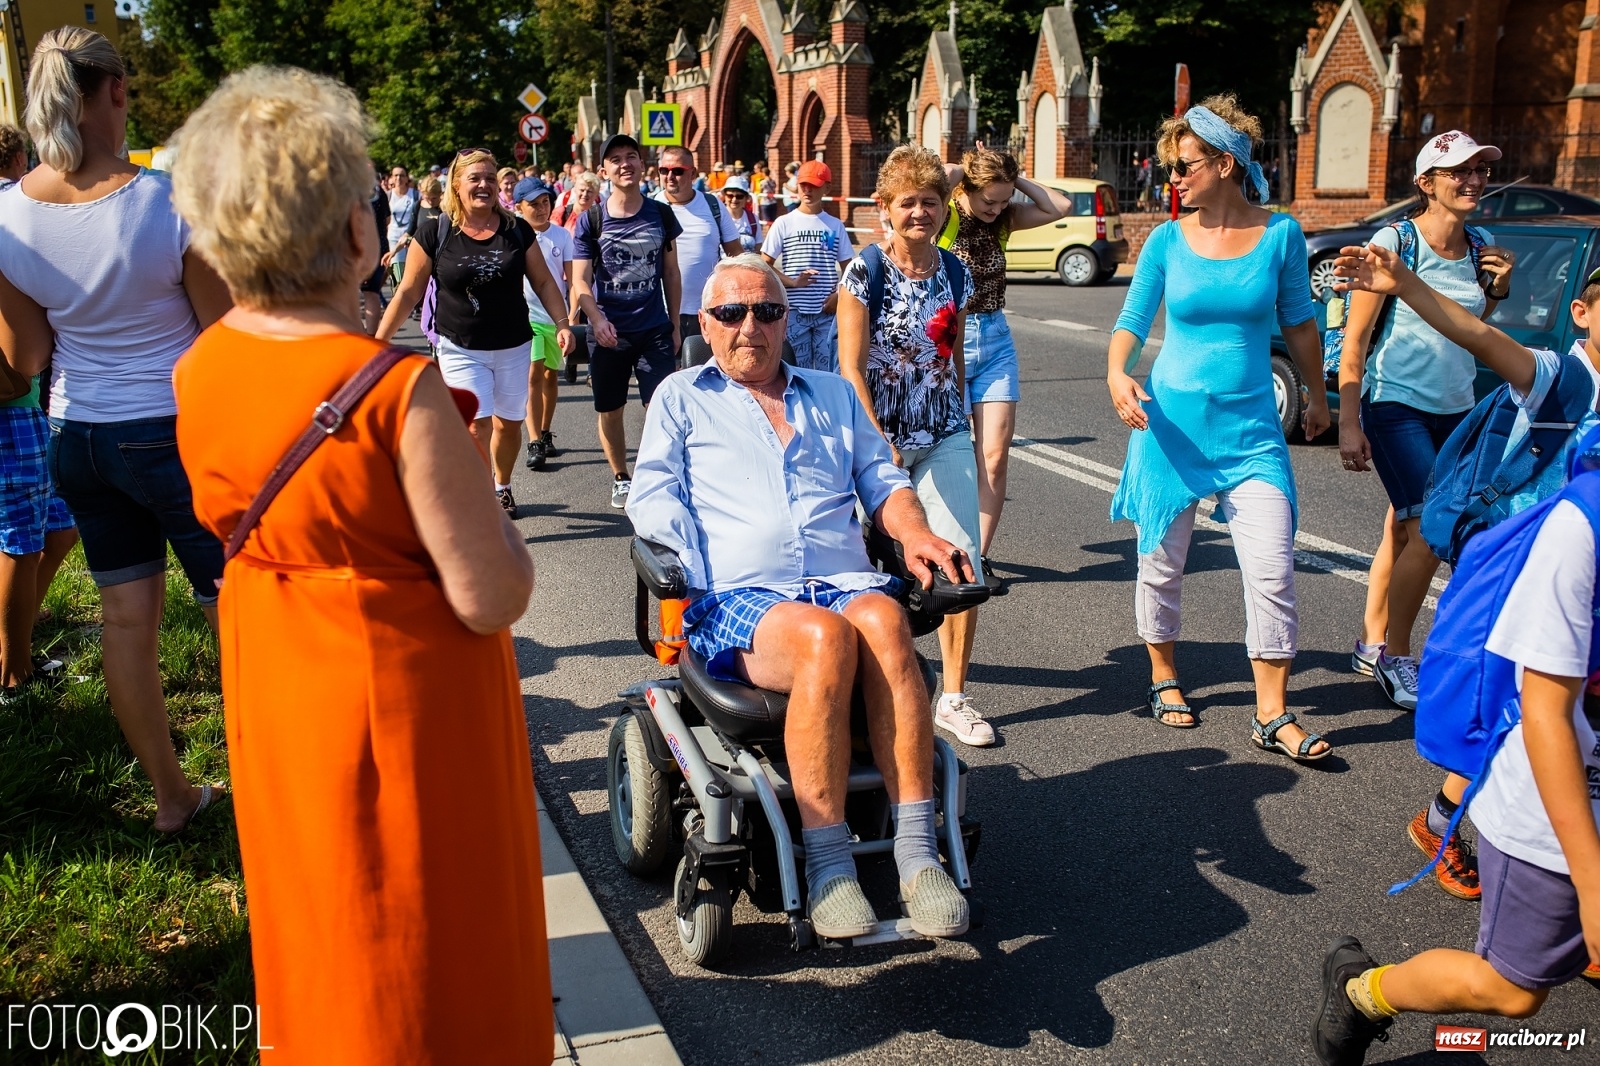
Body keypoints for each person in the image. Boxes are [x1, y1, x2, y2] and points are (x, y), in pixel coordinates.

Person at [167, 66, 550, 1062]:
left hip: (279, 682)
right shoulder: (396, 391)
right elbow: (491, 590)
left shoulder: (198, 366)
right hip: (403, 711)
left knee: (321, 924)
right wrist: (484, 487)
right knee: (425, 948)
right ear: (352, 231)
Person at [628, 253, 975, 940]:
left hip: (842, 580)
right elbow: (652, 497)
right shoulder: (681, 397)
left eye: (766, 311)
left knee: (882, 616)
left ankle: (914, 853)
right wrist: (695, 569)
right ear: (707, 321)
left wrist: (916, 538)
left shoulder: (833, 395)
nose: (748, 326)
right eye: (730, 313)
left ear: (788, 319)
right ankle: (829, 865)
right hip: (739, 596)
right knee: (825, 636)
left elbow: (883, 483)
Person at [0, 26, 233, 832]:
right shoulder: (170, 201)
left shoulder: (6, 215)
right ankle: (278, 784)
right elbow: (222, 335)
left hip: (77, 437)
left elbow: (25, 356)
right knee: (230, 611)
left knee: (125, 622)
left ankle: (171, 800)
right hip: (174, 431)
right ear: (117, 92)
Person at [1105, 95, 1332, 758]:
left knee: (1271, 569)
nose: (1172, 177)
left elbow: (1299, 324)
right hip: (1169, 428)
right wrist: (1118, 374)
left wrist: (1318, 397)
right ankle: (1165, 675)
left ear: (1226, 164)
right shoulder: (1168, 241)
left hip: (1252, 434)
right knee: (1162, 564)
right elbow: (1130, 321)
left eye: (1186, 165)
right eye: (1172, 166)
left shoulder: (1281, 235)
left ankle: (1272, 712)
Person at [1337, 130, 1515, 903]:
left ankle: (1369, 639)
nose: (1475, 179)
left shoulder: (1481, 247)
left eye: (1481, 170)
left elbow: (1473, 330)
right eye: (1461, 170)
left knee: (1399, 530)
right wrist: (1346, 414)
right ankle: (1395, 654)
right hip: (1394, 404)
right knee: (1423, 525)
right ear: (1427, 180)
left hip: (1456, 407)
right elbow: (1358, 338)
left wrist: (1499, 291)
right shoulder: (1394, 239)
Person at [836, 145, 991, 747]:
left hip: (943, 431)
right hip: (877, 441)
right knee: (858, 566)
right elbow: (848, 365)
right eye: (908, 203)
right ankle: (864, 684)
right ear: (885, 210)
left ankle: (952, 696)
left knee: (961, 559)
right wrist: (875, 440)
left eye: (930, 202)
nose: (920, 213)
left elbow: (950, 355)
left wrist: (963, 422)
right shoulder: (865, 271)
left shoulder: (956, 271)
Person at [376, 148, 574, 515]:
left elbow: (545, 282)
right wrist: (377, 343)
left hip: (513, 345)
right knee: (474, 426)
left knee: (510, 425)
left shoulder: (517, 230)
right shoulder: (435, 232)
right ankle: (484, 498)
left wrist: (562, 323)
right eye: (474, 178)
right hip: (460, 346)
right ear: (456, 184)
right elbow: (407, 292)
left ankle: (503, 483)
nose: (483, 185)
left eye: (489, 177)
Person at [940, 143, 1071, 589]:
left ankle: (975, 558)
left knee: (993, 459)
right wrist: (965, 169)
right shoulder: (946, 213)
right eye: (988, 199)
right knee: (942, 455)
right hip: (944, 341)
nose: (998, 208)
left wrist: (1015, 180)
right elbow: (932, 182)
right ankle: (930, 546)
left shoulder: (1007, 217)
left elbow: (1062, 205)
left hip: (995, 341)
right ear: (967, 189)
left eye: (1004, 198)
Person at [570, 133, 682, 510]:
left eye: (631, 156)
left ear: (641, 163)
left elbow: (670, 270)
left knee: (661, 407)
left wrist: (675, 323)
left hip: (653, 329)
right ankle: (621, 476)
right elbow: (580, 280)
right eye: (615, 159)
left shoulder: (661, 214)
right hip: (608, 333)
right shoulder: (591, 220)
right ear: (604, 171)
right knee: (610, 408)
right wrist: (596, 320)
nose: (625, 164)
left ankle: (659, 473)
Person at [761, 160, 854, 372]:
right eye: (803, 184)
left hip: (826, 312)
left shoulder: (834, 225)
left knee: (828, 371)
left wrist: (839, 296)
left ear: (827, 188)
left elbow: (850, 267)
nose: (807, 190)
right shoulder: (784, 222)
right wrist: (792, 282)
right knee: (795, 370)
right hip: (795, 311)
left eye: (814, 185)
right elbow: (764, 263)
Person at [513, 177, 573, 471]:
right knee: (533, 375)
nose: (540, 209)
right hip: (527, 318)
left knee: (550, 377)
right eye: (533, 205)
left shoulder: (561, 237)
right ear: (518, 207)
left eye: (545, 203)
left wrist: (572, 317)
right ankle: (534, 440)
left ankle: (546, 431)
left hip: (555, 318)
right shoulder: (514, 235)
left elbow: (572, 281)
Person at [653, 145, 740, 347]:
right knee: (668, 376)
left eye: (678, 171)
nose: (670, 176)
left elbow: (735, 255)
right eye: (664, 170)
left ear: (692, 173)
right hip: (661, 313)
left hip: (708, 311)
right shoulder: (651, 208)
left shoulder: (713, 205)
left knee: (706, 374)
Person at [383, 164, 420, 289]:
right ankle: (397, 297)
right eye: (396, 175)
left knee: (412, 271)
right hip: (394, 238)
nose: (399, 178)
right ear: (391, 178)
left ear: (407, 178)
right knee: (396, 271)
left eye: (402, 175)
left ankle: (414, 303)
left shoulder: (415, 195)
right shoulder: (388, 195)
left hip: (411, 238)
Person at [720, 176, 762, 252]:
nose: (734, 199)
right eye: (730, 195)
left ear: (746, 198)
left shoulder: (753, 219)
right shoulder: (718, 219)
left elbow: (758, 248)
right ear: (724, 197)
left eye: (739, 196)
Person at [556, 171, 599, 235]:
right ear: (575, 190)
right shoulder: (561, 212)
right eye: (582, 190)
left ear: (596, 194)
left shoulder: (600, 217)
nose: (585, 194)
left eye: (589, 191)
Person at [754, 160, 780, 225]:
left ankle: (768, 234)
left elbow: (760, 191)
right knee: (773, 220)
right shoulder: (773, 181)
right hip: (773, 201)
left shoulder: (763, 182)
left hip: (765, 202)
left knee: (767, 221)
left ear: (763, 173)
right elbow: (774, 189)